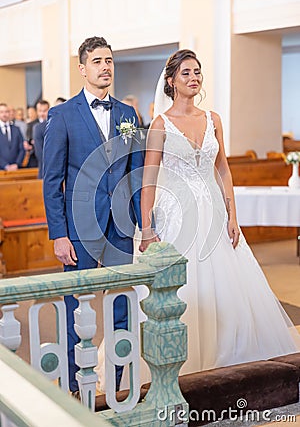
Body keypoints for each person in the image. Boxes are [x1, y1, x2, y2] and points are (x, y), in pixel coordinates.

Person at [139, 49, 300, 375]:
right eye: (185, 73)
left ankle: (233, 351)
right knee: (185, 287)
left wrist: (233, 215)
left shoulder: (213, 119)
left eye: (197, 72)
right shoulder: (161, 124)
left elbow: (223, 170)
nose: (193, 78)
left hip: (214, 210)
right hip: (177, 217)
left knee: (231, 284)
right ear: (171, 81)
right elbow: (149, 180)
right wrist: (146, 227)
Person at [43, 36, 144, 394]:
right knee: (78, 310)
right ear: (82, 68)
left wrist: (142, 227)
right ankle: (74, 386)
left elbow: (135, 173)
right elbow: (52, 180)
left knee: (121, 308)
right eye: (98, 61)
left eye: (110, 61)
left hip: (119, 228)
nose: (105, 67)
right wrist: (59, 233)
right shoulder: (63, 115)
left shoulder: (128, 115)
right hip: (78, 229)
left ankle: (115, 386)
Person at [0, 103, 25, 170]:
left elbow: (22, 149)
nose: (4, 114)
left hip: (16, 168)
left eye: (6, 112)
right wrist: (5, 165)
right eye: (1, 112)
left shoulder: (16, 129)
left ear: (10, 113)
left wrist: (17, 164)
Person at [33, 100, 50, 178]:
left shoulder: (54, 123)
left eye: (45, 111)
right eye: (40, 111)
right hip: (45, 167)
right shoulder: (37, 127)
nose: (42, 113)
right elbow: (39, 151)